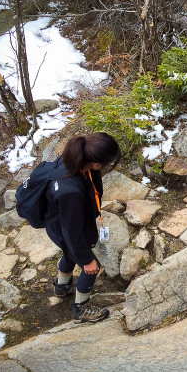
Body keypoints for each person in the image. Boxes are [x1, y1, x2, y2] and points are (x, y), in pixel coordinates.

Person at [46, 132, 121, 323]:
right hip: (65, 229)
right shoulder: (70, 192)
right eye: (108, 164)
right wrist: (87, 260)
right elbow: (72, 232)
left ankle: (61, 288)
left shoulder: (72, 161)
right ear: (97, 163)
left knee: (69, 253)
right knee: (92, 268)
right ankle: (81, 308)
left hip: (56, 225)